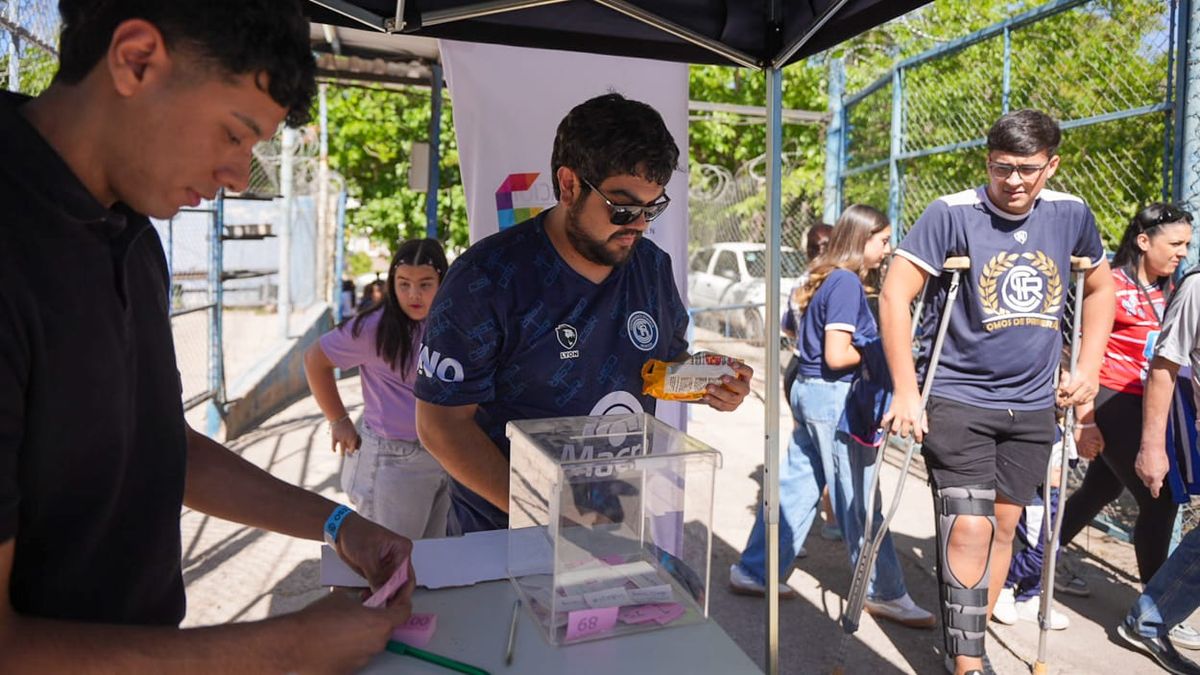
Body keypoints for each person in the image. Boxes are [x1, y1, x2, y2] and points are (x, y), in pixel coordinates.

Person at [0, 3, 415, 671]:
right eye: (233, 133)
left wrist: (341, 526)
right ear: (135, 59)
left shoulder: (130, 232)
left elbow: (159, 444)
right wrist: (287, 646)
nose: (235, 176)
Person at [414, 93, 752, 535]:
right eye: (623, 208)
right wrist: (548, 511)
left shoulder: (651, 268)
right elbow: (441, 426)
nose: (639, 225)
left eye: (653, 208)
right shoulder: (486, 279)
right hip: (503, 532)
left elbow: (661, 368)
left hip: (614, 521)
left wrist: (711, 383)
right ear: (569, 184)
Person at [880, 109, 1115, 675]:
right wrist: (907, 392)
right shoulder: (951, 214)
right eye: (1000, 167)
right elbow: (894, 294)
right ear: (987, 161)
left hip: (1033, 403)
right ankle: (968, 660)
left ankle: (971, 635)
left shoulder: (1072, 214)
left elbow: (1101, 287)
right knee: (969, 523)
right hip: (959, 396)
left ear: (1051, 165)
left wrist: (1088, 366)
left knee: (1005, 525)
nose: (1013, 181)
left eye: (1028, 169)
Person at [729, 205, 934, 628]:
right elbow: (838, 354)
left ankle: (755, 570)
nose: (887, 249)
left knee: (798, 488)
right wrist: (881, 348)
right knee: (859, 497)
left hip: (811, 391)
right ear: (862, 239)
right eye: (882, 240)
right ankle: (884, 590)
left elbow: (801, 334)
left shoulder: (824, 276)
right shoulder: (845, 282)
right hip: (833, 398)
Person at [1055, 204, 1200, 641]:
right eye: (1175, 244)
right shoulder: (1110, 284)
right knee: (1158, 498)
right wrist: (1085, 421)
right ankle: (1158, 605)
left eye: (1188, 245)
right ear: (1143, 241)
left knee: (1102, 486)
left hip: (1147, 404)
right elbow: (1079, 353)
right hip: (1111, 397)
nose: (1182, 253)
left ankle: (1039, 555)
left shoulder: (1171, 288)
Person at [306, 239, 452, 540]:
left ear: (442, 282)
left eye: (425, 284)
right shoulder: (373, 328)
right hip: (392, 461)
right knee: (386, 560)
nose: (413, 294)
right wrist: (339, 420)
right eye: (404, 284)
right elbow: (314, 360)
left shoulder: (451, 324)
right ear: (391, 283)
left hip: (444, 453)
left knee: (431, 560)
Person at [1119, 267, 1200, 674]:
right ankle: (1150, 616)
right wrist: (1152, 446)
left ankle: (1150, 615)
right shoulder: (1197, 288)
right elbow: (1164, 367)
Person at [783, 223, 838, 543]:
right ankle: (832, 520)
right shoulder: (838, 282)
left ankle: (793, 538)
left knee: (803, 448)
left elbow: (788, 328)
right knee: (831, 452)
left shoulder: (801, 283)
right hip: (824, 375)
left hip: (796, 367)